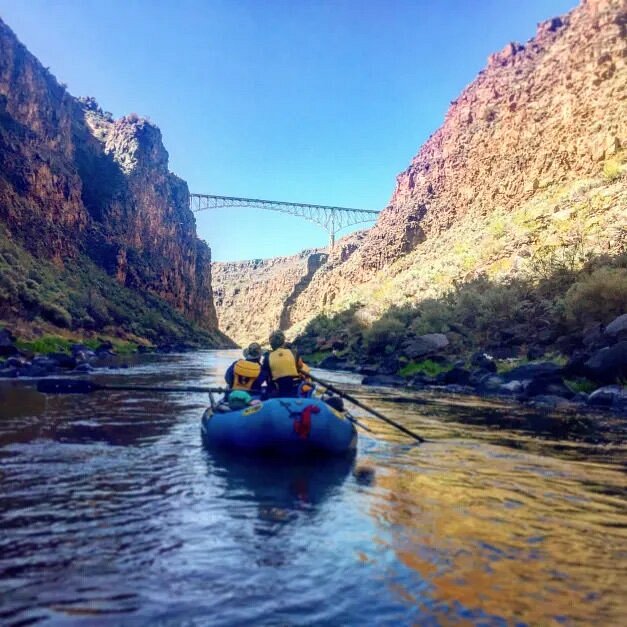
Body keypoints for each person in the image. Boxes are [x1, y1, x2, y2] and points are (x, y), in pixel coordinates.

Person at [262, 330, 308, 398]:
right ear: (283, 342)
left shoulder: (267, 357)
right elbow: (300, 366)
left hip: (278, 390)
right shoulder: (294, 353)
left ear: (271, 344)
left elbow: (264, 376)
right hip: (294, 388)